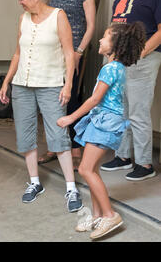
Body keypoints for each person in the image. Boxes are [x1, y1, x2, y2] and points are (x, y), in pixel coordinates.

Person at [0, 0, 82, 212]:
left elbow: (69, 53)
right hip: (23, 85)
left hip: (51, 84)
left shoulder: (58, 16)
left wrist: (68, 85)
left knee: (58, 135)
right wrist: (7, 81)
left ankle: (71, 187)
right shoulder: (23, 18)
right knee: (25, 134)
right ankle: (35, 182)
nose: (20, 2)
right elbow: (17, 53)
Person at [57, 22, 145, 239]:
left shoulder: (110, 68)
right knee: (92, 170)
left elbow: (95, 99)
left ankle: (109, 215)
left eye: (104, 37)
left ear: (115, 45)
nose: (99, 40)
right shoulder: (116, 68)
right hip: (104, 121)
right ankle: (97, 215)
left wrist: (71, 117)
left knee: (86, 170)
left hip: (106, 123)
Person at [100, 0, 161, 181]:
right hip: (121, 59)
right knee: (121, 108)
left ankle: (145, 164)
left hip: (143, 59)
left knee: (137, 111)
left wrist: (140, 53)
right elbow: (115, 23)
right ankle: (123, 156)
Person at [38, 0, 96, 169]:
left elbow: (90, 25)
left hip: (73, 52)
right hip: (52, 52)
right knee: (51, 98)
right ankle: (54, 146)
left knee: (70, 99)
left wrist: (79, 52)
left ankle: (74, 149)